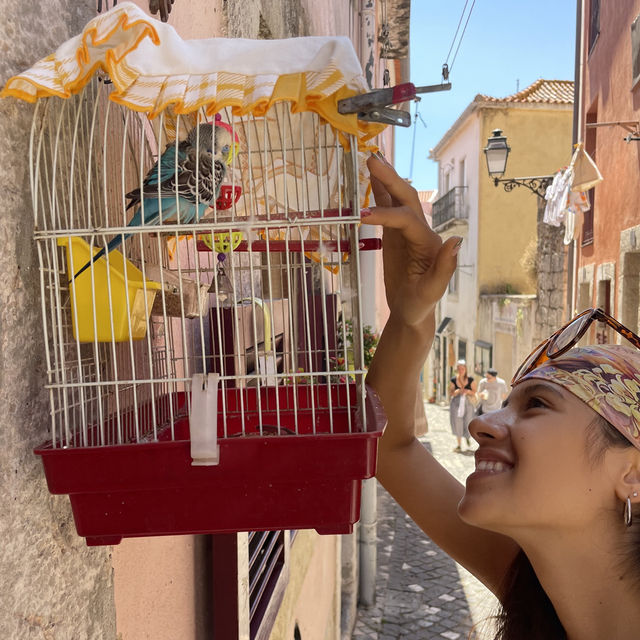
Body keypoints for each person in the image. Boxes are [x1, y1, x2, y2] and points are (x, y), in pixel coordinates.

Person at [362, 153, 640, 640]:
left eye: (535, 405)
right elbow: (389, 443)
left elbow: (389, 446)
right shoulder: (533, 586)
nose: (481, 422)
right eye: (508, 401)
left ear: (632, 472)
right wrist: (410, 318)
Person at [448, 359, 476, 451]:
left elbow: (474, 391)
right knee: (457, 422)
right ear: (457, 369)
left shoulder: (471, 379)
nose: (461, 370)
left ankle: (467, 438)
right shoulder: (453, 380)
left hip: (468, 403)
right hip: (456, 404)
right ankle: (459, 444)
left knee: (468, 421)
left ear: (465, 369)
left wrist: (467, 391)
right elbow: (450, 392)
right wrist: (456, 392)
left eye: (462, 368)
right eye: (459, 368)